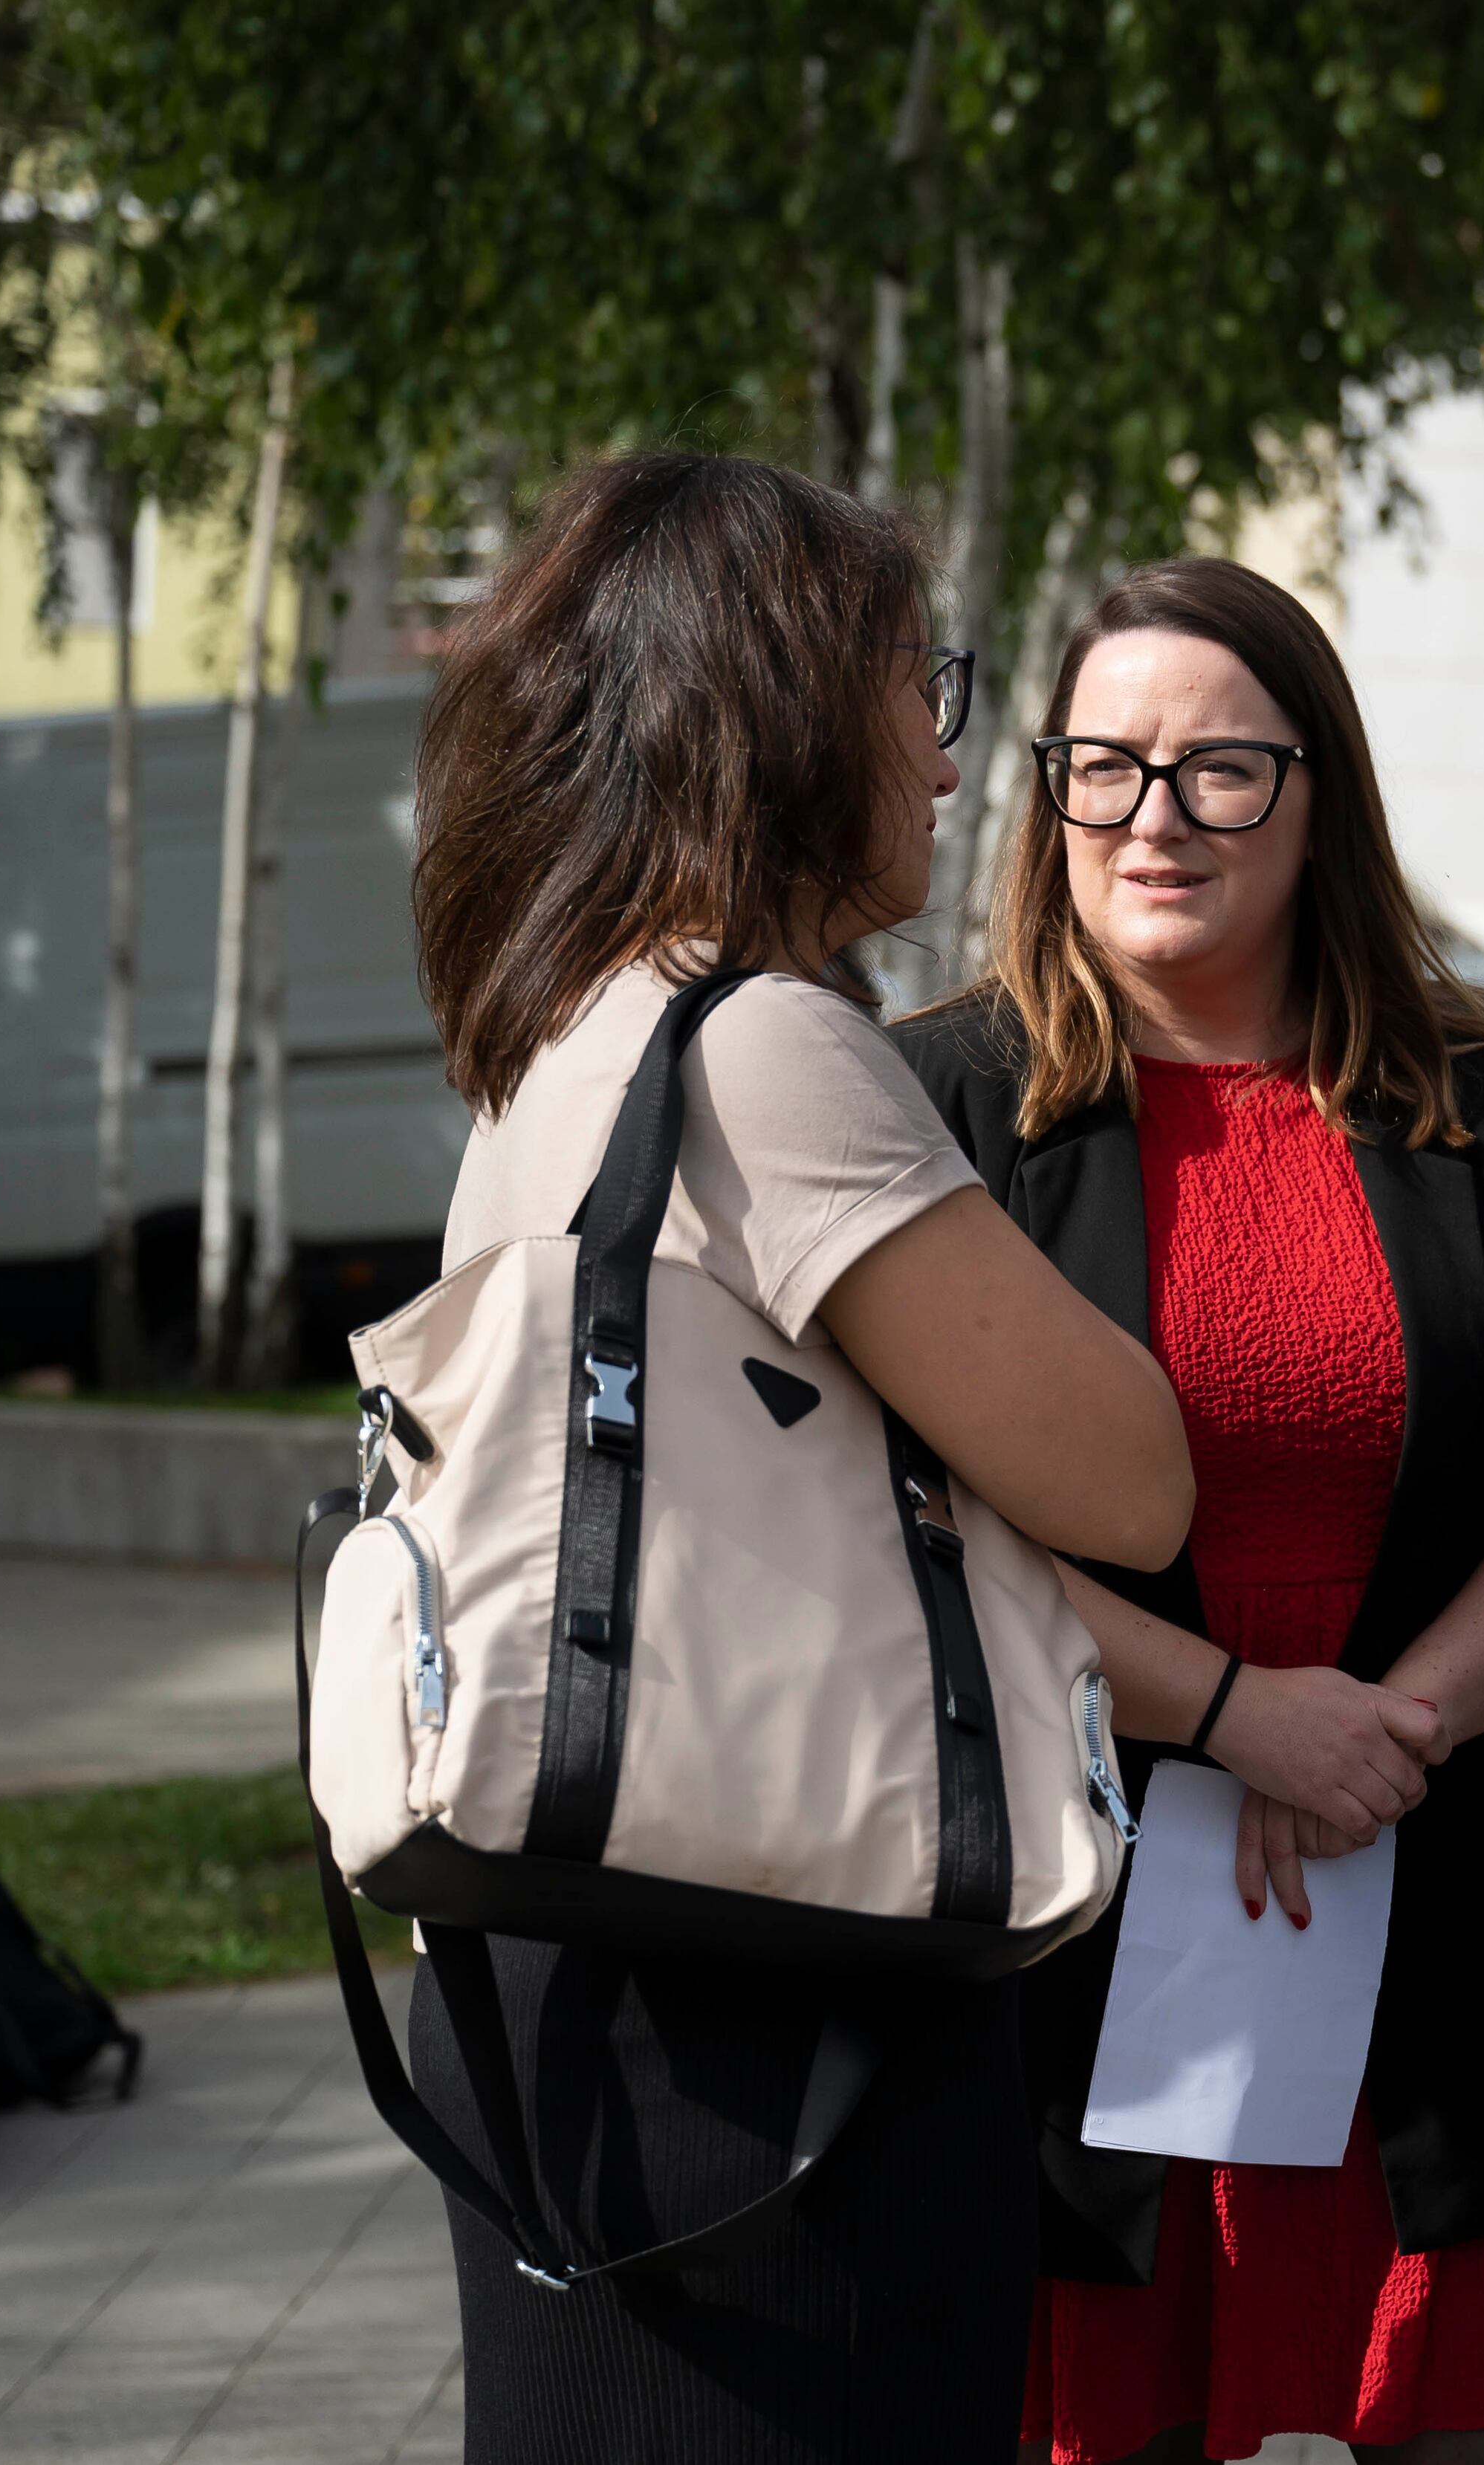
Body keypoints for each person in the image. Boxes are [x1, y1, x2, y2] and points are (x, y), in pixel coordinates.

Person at [400, 451, 1196, 2460]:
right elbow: (1128, 1479)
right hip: (770, 2005)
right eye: (912, 685)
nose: (946, 763)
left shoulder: (564, 1025)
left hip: (574, 1960)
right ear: (770, 712)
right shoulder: (761, 1045)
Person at [893, 557, 1484, 2465]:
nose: (1154, 820)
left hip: (1460, 1887)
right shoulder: (933, 1110)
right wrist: (1245, 1717)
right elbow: (906, 1531)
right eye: (1105, 767)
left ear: (1320, 792)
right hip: (1079, 1956)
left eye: (1221, 770)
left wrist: (1384, 1733)